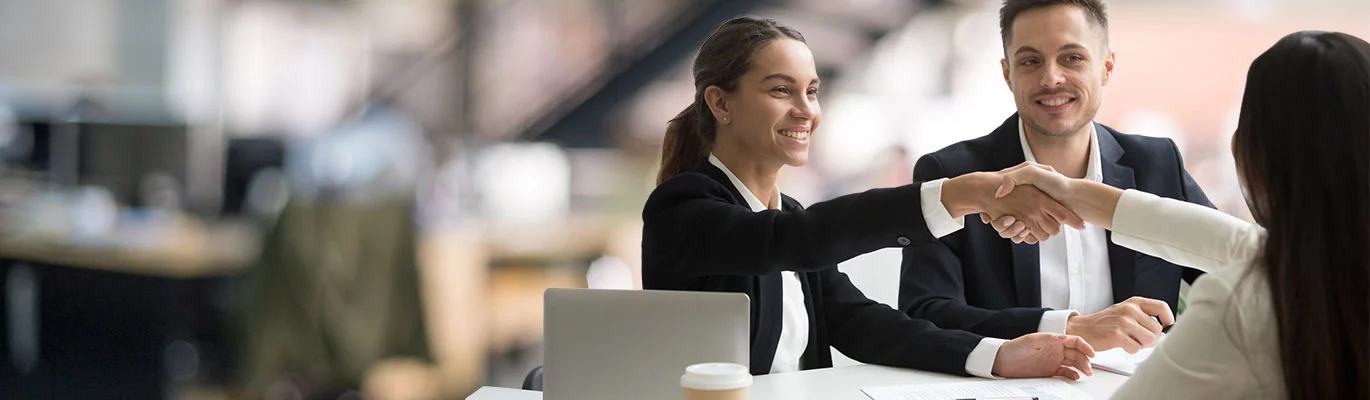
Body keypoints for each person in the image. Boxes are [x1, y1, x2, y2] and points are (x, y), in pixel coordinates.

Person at [641, 17, 1094, 379]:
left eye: (812, 91)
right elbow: (793, 239)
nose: (806, 110)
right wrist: (961, 193)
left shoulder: (786, 214)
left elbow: (861, 324)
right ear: (721, 104)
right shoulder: (681, 208)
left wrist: (995, 357)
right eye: (781, 89)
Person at [988, 30, 1369, 400]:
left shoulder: (1241, 304)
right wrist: (1070, 192)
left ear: (1247, 152)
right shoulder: (1327, 265)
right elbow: (1228, 239)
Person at [898, 0, 1213, 354]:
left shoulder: (1157, 164)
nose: (1051, 78)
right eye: (1030, 61)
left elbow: (1241, 278)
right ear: (1007, 74)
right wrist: (1068, 328)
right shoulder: (954, 175)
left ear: (1106, 66)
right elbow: (923, 315)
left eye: (1072, 58)